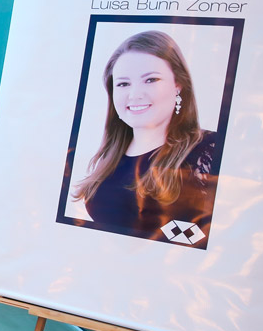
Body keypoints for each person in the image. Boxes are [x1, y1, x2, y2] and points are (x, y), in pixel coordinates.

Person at [72, 31, 217, 245]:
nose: (135, 94)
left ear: (178, 84)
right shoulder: (110, 154)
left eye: (150, 80)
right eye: (123, 84)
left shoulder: (209, 148)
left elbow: (209, 239)